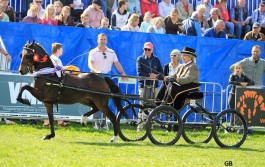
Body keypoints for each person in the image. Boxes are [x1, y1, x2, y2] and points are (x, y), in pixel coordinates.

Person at [88, 33, 126, 128]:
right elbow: (90, 64)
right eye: (101, 39)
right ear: (98, 40)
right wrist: (96, 71)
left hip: (106, 77)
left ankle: (103, 122)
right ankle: (95, 122)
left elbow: (116, 63)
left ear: (106, 41)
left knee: (106, 99)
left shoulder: (111, 52)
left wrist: (122, 72)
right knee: (94, 98)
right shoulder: (93, 52)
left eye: (104, 39)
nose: (103, 41)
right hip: (95, 77)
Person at [136, 42, 163, 131]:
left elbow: (161, 72)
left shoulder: (157, 59)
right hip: (143, 86)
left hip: (155, 86)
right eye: (145, 49)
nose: (146, 51)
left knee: (154, 105)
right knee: (142, 105)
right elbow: (139, 72)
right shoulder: (140, 59)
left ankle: (150, 126)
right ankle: (140, 127)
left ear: (152, 50)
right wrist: (149, 75)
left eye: (148, 49)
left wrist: (156, 76)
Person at [43, 43, 70, 127]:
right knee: (51, 102)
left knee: (52, 102)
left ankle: (57, 121)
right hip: (54, 83)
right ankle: (47, 122)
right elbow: (58, 72)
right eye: (61, 49)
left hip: (52, 83)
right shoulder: (56, 60)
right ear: (58, 50)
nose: (62, 51)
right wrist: (65, 70)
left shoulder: (52, 58)